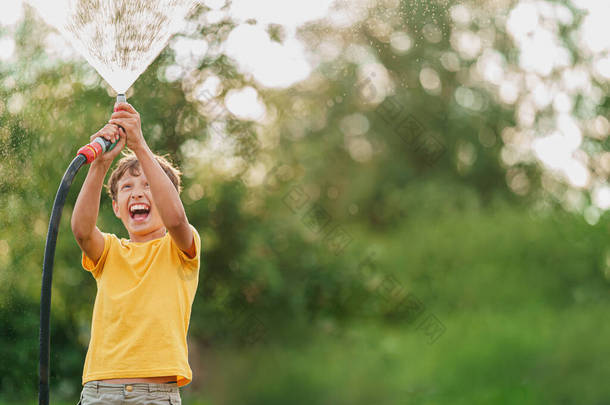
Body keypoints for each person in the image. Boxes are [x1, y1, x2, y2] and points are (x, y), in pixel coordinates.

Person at [71, 102, 201, 405]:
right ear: (116, 207)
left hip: (155, 395)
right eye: (127, 187)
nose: (138, 192)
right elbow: (81, 229)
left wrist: (139, 145)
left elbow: (177, 220)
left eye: (149, 185)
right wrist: (100, 165)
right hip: (99, 392)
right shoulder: (110, 252)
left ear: (169, 198)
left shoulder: (180, 247)